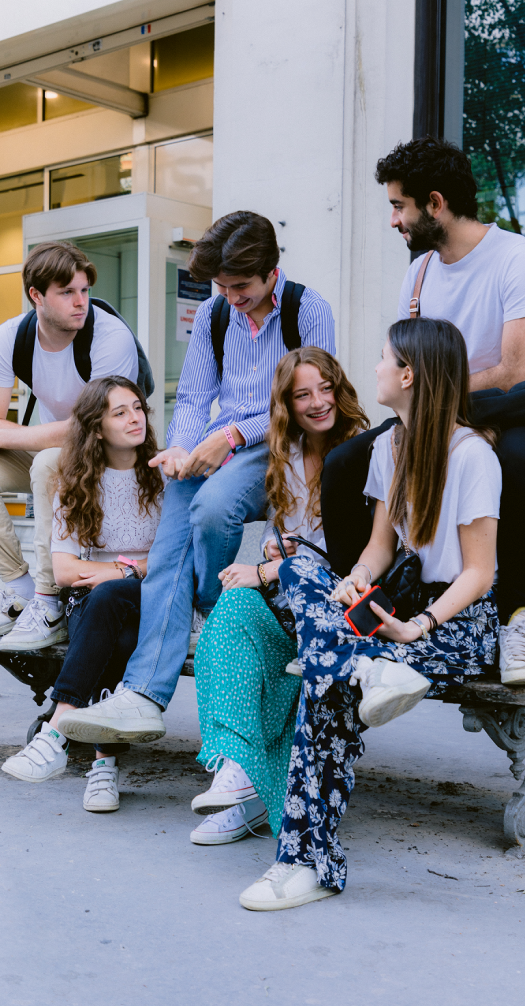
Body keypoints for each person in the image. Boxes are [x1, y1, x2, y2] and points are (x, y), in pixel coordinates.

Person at [239, 316, 502, 911]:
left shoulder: (473, 457)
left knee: (324, 687)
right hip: (397, 609)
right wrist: (354, 582)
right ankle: (351, 661)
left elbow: (479, 574)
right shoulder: (389, 445)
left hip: (453, 621)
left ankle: (301, 863)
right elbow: (381, 548)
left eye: (384, 357)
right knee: (301, 568)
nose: (375, 367)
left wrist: (419, 627)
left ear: (407, 374)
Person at [61, 211, 336, 745]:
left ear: (271, 272)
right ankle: (143, 695)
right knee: (173, 527)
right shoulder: (214, 315)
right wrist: (182, 449)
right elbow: (191, 396)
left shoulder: (309, 308)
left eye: (242, 286)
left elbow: (310, 401)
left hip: (283, 444)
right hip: (219, 444)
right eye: (221, 286)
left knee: (212, 509)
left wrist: (230, 435)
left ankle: (208, 611)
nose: (231, 296)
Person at [321, 137, 525, 687]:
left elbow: (518, 370)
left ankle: (519, 620)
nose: (393, 220)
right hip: (436, 415)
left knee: (520, 464)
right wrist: (435, 409)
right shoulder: (420, 272)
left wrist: (445, 403)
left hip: (508, 411)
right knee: (345, 464)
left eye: (398, 206)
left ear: (433, 203)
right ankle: (365, 597)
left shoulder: (519, 257)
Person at [188, 348, 369, 846]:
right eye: (302, 394)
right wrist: (275, 542)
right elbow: (290, 528)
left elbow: (360, 551)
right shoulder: (285, 450)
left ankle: (248, 787)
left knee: (251, 603)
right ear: (287, 403)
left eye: (325, 389)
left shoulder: (363, 451)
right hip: (287, 598)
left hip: (337, 609)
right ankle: (235, 771)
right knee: (230, 613)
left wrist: (269, 567)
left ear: (340, 389)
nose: (317, 402)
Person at [0, 241, 139, 651]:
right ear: (37, 296)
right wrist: (6, 433)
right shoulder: (11, 337)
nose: (81, 302)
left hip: (113, 459)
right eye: (67, 292)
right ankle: (18, 588)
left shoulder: (110, 338)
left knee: (48, 462)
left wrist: (6, 435)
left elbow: (96, 424)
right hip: (57, 451)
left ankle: (48, 600)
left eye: (84, 290)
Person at [1, 377, 163, 813]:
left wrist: (120, 569)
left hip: (149, 596)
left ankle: (56, 731)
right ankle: (103, 767)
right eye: (120, 412)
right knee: (118, 631)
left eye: (138, 408)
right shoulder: (75, 483)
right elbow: (65, 570)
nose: (135, 418)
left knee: (112, 597)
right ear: (96, 428)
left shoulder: (163, 476)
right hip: (95, 606)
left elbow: (173, 559)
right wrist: (124, 569)